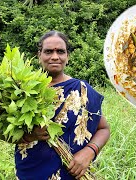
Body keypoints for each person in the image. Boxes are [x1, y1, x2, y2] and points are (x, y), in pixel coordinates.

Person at [14, 30, 110, 180]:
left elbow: (104, 129)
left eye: (60, 51)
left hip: (72, 172)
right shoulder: (23, 90)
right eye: (48, 52)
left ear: (67, 56)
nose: (54, 56)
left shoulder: (81, 90)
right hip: (31, 171)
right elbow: (4, 134)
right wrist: (30, 136)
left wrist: (89, 152)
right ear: (39, 55)